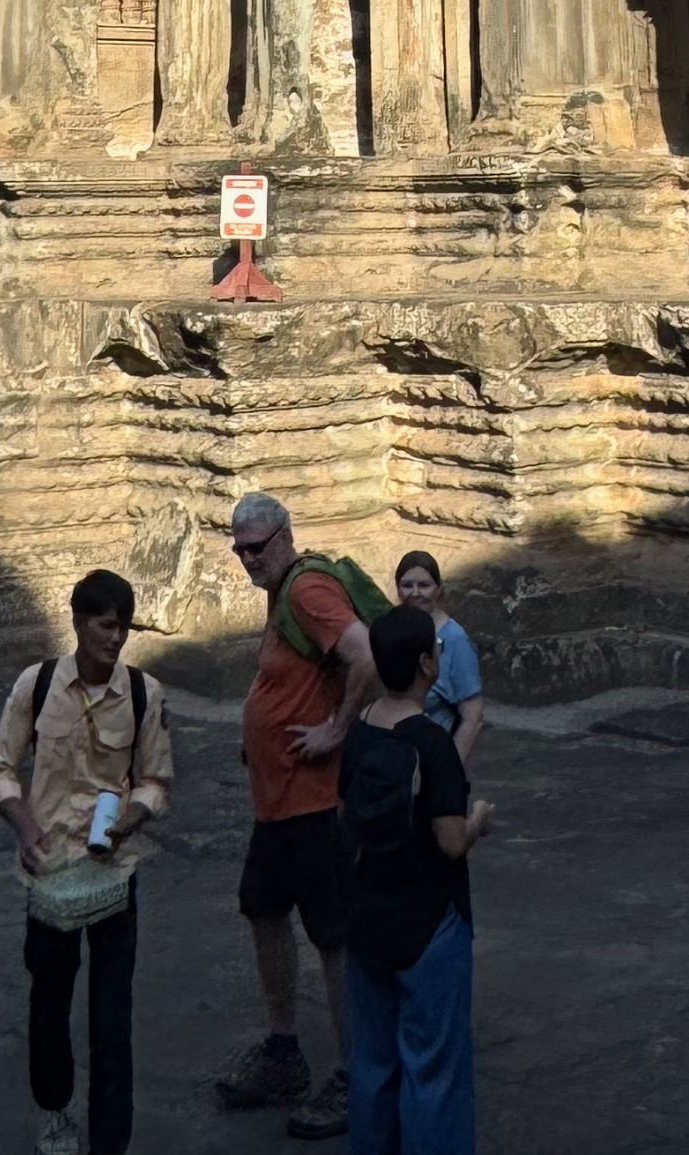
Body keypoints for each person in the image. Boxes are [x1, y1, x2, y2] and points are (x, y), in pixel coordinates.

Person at [0, 567, 172, 1155]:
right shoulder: (36, 686)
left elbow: (157, 781)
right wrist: (24, 825)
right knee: (49, 1002)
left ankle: (110, 1140)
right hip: (49, 869)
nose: (115, 640)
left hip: (114, 869)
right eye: (106, 626)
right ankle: (54, 1110)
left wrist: (132, 818)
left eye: (124, 628)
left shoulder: (144, 693)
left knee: (113, 1015)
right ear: (78, 623)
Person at [218, 491, 379, 1139]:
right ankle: (284, 1051)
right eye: (239, 550)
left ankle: (355, 1075)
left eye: (257, 546)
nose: (248, 559)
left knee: (334, 938)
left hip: (315, 804)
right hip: (278, 802)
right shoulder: (282, 589)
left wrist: (338, 728)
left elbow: (364, 653)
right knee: (262, 908)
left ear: (284, 535)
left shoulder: (308, 588)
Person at [340, 603, 492, 1155]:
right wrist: (479, 823)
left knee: (374, 1060)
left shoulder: (359, 732)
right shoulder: (432, 744)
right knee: (433, 1067)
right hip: (430, 922)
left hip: (368, 916)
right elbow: (450, 840)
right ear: (428, 663)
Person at [392, 552, 484, 767]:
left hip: (432, 757)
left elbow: (473, 715)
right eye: (407, 585)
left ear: (438, 589)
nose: (415, 593)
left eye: (423, 585)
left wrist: (450, 772)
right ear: (397, 588)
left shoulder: (455, 639)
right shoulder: (390, 629)